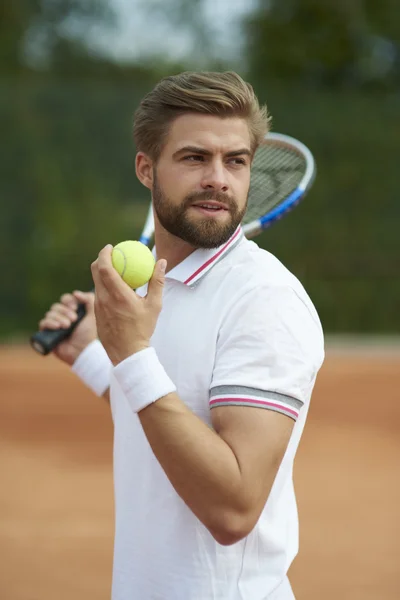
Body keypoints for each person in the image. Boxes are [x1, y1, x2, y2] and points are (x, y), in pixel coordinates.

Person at [39, 71, 324, 600]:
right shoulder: (154, 288)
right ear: (147, 169)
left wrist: (129, 352)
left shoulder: (265, 300)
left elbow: (234, 507)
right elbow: (168, 412)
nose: (219, 177)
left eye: (235, 160)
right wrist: (95, 358)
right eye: (195, 158)